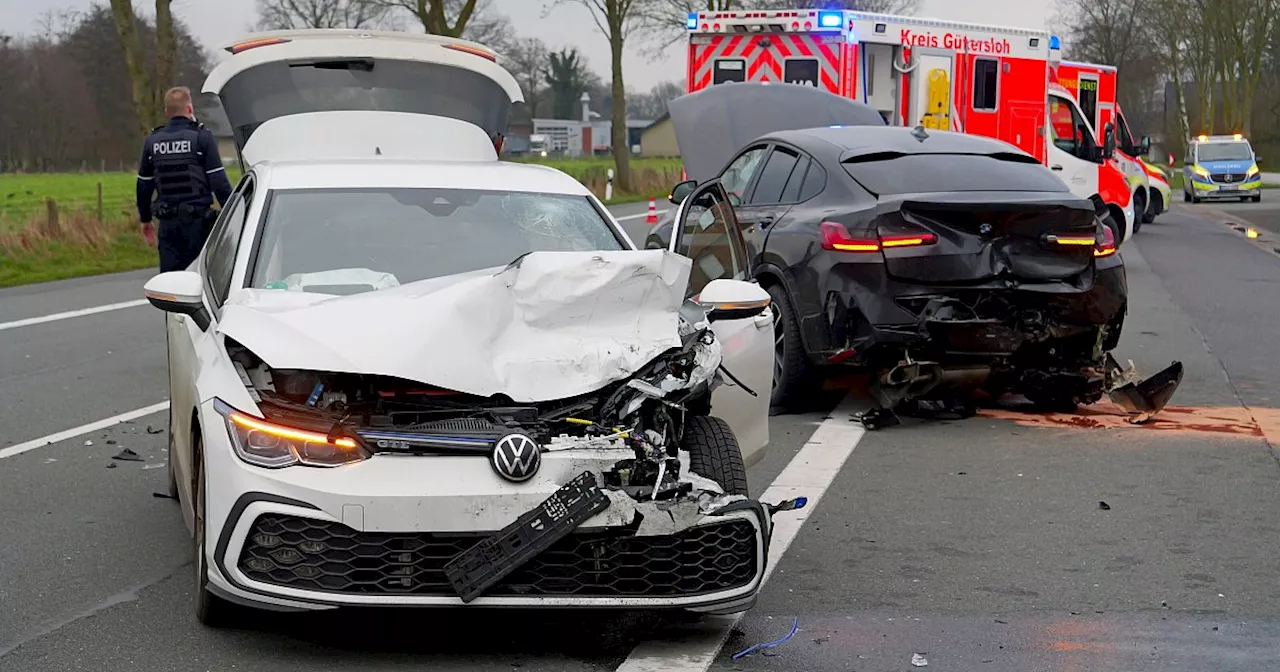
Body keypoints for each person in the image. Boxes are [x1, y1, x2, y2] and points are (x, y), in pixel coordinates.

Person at [137, 86, 233, 272]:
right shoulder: (201, 138)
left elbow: (143, 185)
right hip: (197, 224)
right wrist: (234, 213)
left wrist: (145, 219)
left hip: (167, 225)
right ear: (189, 109)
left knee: (169, 283)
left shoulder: (152, 142)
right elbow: (219, 182)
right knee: (196, 280)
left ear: (167, 112)